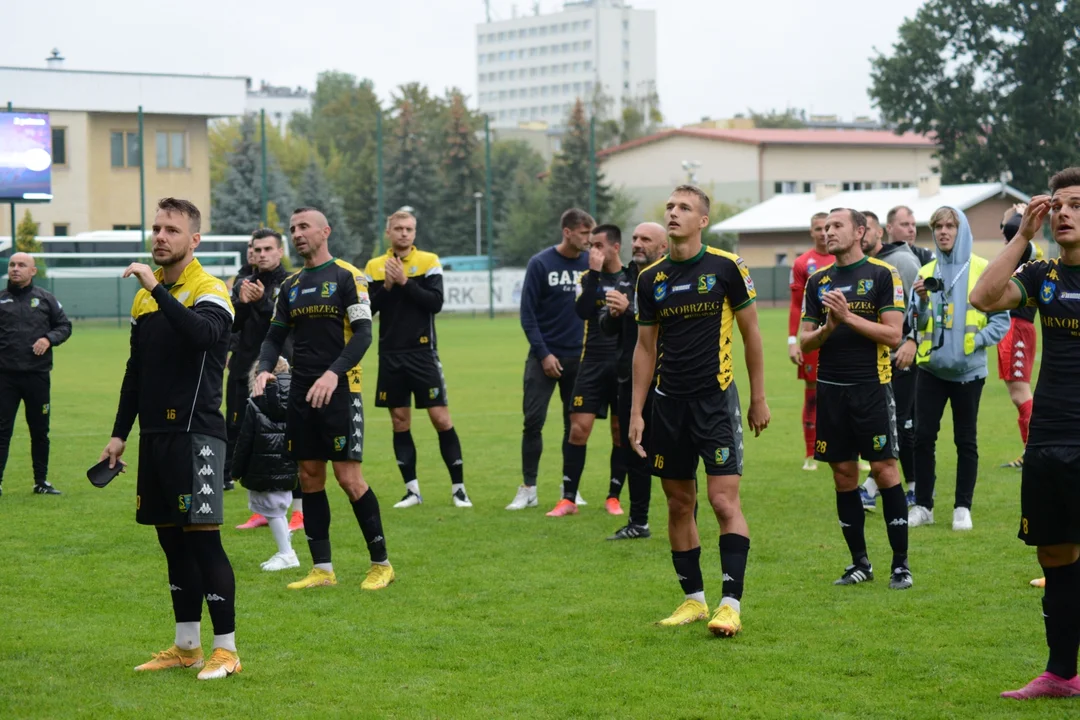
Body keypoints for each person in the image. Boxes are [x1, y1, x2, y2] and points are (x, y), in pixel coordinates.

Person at [99, 197, 241, 680]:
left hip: (197, 434)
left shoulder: (211, 289)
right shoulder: (147, 298)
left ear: (193, 240)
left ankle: (227, 650)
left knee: (204, 544)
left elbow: (202, 336)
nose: (160, 236)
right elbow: (135, 372)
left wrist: (157, 289)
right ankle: (187, 647)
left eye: (172, 230)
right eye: (156, 228)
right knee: (172, 545)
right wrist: (119, 435)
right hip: (156, 437)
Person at [630, 185, 770, 637]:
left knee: (722, 500)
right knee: (678, 503)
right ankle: (693, 600)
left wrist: (759, 397)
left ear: (702, 220)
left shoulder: (728, 267)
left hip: (715, 402)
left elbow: (751, 334)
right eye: (669, 206)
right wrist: (637, 410)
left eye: (684, 208)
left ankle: (730, 605)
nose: (673, 213)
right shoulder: (650, 278)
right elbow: (645, 347)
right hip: (668, 406)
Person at [969, 169, 1080, 700]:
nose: (1064, 214)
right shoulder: (1041, 273)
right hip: (1050, 437)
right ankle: (1061, 675)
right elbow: (983, 298)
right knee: (1054, 555)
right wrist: (1020, 236)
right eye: (1059, 205)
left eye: (1076, 205)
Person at [254, 207, 393, 592]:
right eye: (293, 228)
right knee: (310, 477)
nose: (297, 234)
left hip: (341, 389)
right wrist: (265, 367)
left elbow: (364, 334)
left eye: (304, 227)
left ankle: (381, 564)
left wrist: (334, 373)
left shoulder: (349, 276)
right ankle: (322, 569)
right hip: (300, 391)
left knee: (348, 478)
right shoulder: (292, 285)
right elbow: (274, 335)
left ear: (324, 231)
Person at [800, 208, 912, 590]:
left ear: (860, 232)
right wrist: (828, 327)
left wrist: (846, 319)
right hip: (831, 392)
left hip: (872, 389)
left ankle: (900, 564)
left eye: (836, 226)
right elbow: (805, 339)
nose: (828, 232)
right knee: (844, 475)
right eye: (825, 227)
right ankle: (859, 563)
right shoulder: (818, 281)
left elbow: (893, 335)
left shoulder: (882, 274)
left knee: (884, 471)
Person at [906, 206, 1009, 531]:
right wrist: (921, 302)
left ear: (961, 229)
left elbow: (1001, 321)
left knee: (966, 441)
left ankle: (962, 508)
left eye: (950, 226)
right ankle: (923, 505)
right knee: (923, 438)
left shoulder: (982, 268)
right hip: (932, 371)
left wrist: (974, 341)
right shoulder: (926, 271)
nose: (944, 232)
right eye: (938, 226)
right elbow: (917, 322)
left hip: (968, 374)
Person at [364, 210, 470, 510]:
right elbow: (368, 310)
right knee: (400, 422)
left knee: (441, 419)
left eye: (409, 228)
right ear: (388, 232)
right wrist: (386, 285)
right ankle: (412, 491)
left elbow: (435, 303)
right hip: (390, 356)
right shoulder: (374, 267)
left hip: (423, 354)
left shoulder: (429, 261)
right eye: (398, 228)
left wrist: (405, 282)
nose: (404, 233)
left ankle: (459, 489)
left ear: (415, 232)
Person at [507, 208, 593, 511]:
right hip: (544, 357)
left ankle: (569, 488)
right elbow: (527, 314)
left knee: (576, 426)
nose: (588, 239)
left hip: (580, 358)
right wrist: (544, 354)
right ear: (567, 232)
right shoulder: (541, 263)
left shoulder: (590, 263)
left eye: (590, 234)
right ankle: (528, 488)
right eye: (584, 234)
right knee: (533, 422)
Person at [547, 223, 628, 517]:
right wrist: (594, 273)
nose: (592, 250)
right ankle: (568, 499)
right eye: (590, 245)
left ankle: (614, 497)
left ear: (615, 247)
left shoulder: (631, 279)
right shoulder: (586, 277)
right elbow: (582, 311)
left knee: (620, 433)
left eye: (598, 245)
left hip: (622, 365)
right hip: (591, 363)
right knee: (578, 430)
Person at [600, 222, 668, 540]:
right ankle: (638, 521)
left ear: (664, 247)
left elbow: (668, 325)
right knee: (635, 451)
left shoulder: (673, 278)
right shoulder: (627, 279)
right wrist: (612, 315)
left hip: (668, 380)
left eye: (646, 239)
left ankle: (686, 519)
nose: (638, 244)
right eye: (635, 239)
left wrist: (629, 311)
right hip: (630, 380)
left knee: (674, 454)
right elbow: (607, 329)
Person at [229, 229, 299, 529]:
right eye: (256, 249)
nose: (261, 254)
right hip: (244, 369)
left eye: (267, 248)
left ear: (279, 251)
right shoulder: (243, 281)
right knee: (245, 435)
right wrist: (243, 304)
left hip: (280, 370)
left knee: (285, 439)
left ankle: (299, 510)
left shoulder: (290, 282)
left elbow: (287, 323)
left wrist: (260, 303)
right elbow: (232, 324)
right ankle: (262, 509)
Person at [857, 209, 922, 511]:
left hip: (902, 357)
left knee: (901, 424)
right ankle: (889, 486)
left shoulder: (903, 262)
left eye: (865, 229)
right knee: (886, 424)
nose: (862, 235)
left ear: (879, 232)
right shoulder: (863, 266)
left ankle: (888, 487)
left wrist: (913, 341)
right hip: (873, 360)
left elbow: (920, 306)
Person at [0, 252, 71, 496]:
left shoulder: (46, 299)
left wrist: (48, 339)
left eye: (21, 265)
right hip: (5, 379)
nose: (15, 269)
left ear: (33, 271)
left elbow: (64, 326)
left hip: (37, 377)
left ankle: (41, 482)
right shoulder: (1, 300)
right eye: (12, 265)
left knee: (40, 431)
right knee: (2, 431)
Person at [232, 357, 299, 571]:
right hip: (288, 468)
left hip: (261, 468)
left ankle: (287, 554)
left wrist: (235, 470)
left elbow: (245, 440)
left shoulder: (256, 402)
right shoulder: (297, 398)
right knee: (277, 510)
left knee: (273, 512)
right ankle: (286, 550)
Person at [997, 204, 1041, 469]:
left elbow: (1015, 231)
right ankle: (1031, 450)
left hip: (1019, 327)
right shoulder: (1018, 251)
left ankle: (1033, 450)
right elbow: (1011, 235)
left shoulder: (1029, 251)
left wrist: (1016, 217)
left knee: (1021, 393)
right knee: (1018, 393)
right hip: (1013, 327)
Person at [788, 213, 833, 471]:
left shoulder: (844, 257)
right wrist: (792, 341)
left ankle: (856, 454)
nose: (824, 233)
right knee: (813, 394)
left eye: (828, 228)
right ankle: (810, 452)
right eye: (819, 228)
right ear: (811, 232)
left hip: (841, 337)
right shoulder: (803, 263)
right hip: (812, 337)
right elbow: (796, 306)